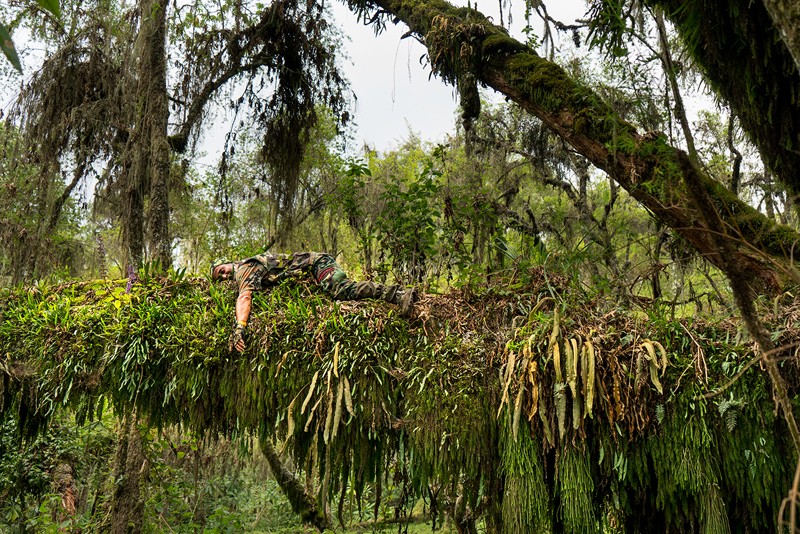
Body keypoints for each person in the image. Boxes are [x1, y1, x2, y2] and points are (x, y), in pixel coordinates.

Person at [211, 252, 416, 352]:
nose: (223, 276)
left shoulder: (244, 269)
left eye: (221, 271)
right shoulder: (249, 268)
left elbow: (245, 297)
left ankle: (397, 295)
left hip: (317, 264)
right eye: (218, 278)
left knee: (340, 290)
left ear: (228, 263)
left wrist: (240, 327)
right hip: (313, 269)